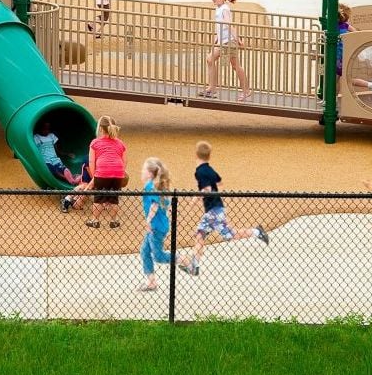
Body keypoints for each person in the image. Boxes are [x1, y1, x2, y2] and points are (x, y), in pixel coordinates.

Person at [177, 141, 268, 277]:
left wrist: (195, 198)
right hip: (214, 209)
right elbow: (220, 183)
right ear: (209, 156)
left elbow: (206, 188)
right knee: (200, 234)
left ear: (196, 155)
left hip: (214, 211)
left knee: (230, 235)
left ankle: (257, 232)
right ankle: (194, 266)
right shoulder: (210, 169)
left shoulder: (200, 171)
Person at [199, 0, 251, 101]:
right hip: (223, 42)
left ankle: (246, 91)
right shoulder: (218, 8)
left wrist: (238, 40)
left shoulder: (225, 9)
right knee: (210, 59)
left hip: (229, 43)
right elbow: (220, 26)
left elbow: (229, 25)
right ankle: (212, 88)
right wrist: (216, 38)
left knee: (235, 66)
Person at [136, 158, 175, 292]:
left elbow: (155, 205)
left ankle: (184, 260)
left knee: (158, 256)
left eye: (144, 169)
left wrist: (148, 221)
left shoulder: (150, 186)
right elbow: (166, 204)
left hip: (155, 227)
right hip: (159, 225)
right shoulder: (158, 186)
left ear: (150, 173)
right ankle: (151, 283)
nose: (141, 171)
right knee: (145, 251)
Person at [85, 115, 128, 229]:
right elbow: (124, 161)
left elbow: (91, 161)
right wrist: (121, 172)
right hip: (118, 172)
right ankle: (114, 221)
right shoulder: (120, 143)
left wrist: (95, 177)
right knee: (114, 198)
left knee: (98, 198)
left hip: (102, 171)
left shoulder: (95, 143)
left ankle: (95, 220)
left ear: (100, 129)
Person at [34, 121, 80, 185]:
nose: (46, 131)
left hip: (54, 158)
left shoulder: (51, 136)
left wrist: (67, 154)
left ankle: (71, 178)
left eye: (48, 129)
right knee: (53, 171)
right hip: (45, 160)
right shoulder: (36, 137)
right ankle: (69, 180)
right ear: (40, 128)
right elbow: (34, 151)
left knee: (64, 169)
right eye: (44, 129)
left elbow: (57, 150)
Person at [335, 3, 352, 76]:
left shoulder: (332, 26)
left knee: (324, 68)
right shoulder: (346, 25)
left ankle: (325, 85)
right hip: (342, 54)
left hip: (334, 54)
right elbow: (357, 33)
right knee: (341, 73)